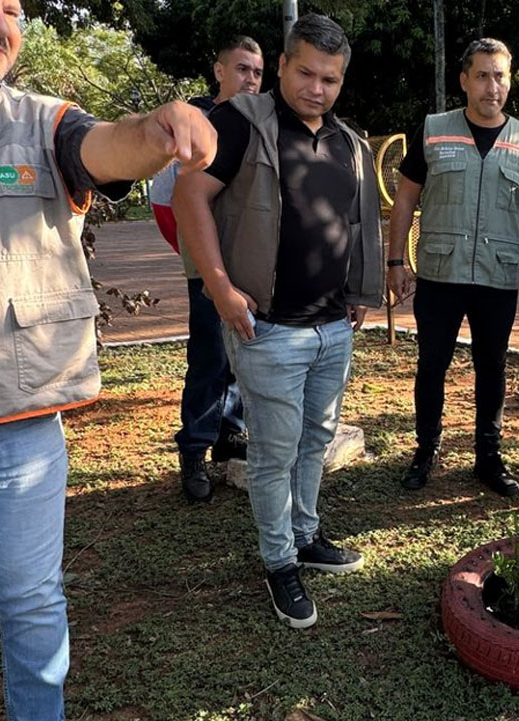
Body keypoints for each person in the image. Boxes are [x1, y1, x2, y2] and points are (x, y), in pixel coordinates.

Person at [0, 1, 216, 719]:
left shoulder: (43, 123)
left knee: (35, 612)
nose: (0, 20)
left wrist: (158, 130)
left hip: (20, 434)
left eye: (13, 8)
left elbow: (107, 146)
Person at [173, 13, 383, 629]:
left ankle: (306, 536)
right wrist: (220, 289)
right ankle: (279, 562)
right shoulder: (241, 123)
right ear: (283, 66)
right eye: (307, 73)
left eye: (332, 79)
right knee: (273, 452)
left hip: (331, 327)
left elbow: (353, 222)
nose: (318, 89)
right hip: (267, 328)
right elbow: (191, 197)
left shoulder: (348, 141)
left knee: (316, 439)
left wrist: (360, 291)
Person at [388, 38, 519, 497]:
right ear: (464, 81)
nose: (492, 86)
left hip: (496, 277)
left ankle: (489, 455)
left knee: (492, 367)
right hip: (440, 273)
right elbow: (405, 197)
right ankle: (426, 450)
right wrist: (396, 259)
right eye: (482, 75)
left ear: (510, 80)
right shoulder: (434, 129)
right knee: (432, 364)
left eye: (500, 75)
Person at [150, 36, 264, 502]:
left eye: (257, 72)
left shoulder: (262, 123)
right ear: (219, 71)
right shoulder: (195, 123)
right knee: (209, 358)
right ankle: (194, 448)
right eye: (241, 69)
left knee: (242, 351)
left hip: (248, 261)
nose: (250, 80)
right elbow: (163, 196)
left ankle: (228, 434)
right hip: (207, 266)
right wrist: (192, 253)